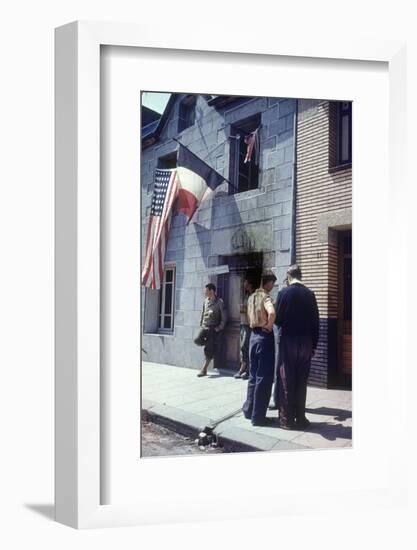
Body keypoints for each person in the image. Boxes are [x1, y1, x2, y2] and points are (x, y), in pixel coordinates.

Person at [274, 264, 319, 429]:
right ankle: (300, 418)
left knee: (287, 380)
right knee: (301, 381)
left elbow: (277, 320)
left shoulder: (283, 293)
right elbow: (316, 322)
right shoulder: (310, 294)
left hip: (288, 342)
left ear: (289, 276)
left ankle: (287, 420)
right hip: (306, 343)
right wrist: (313, 345)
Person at [242, 272, 277, 426]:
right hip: (264, 337)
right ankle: (258, 417)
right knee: (264, 377)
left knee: (253, 375)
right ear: (267, 283)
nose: (273, 287)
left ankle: (249, 410)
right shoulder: (266, 297)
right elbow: (272, 313)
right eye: (273, 284)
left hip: (252, 337)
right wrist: (269, 326)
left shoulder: (251, 298)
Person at [194, 283, 227, 377]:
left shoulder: (219, 302)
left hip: (212, 329)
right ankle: (209, 343)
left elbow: (224, 316)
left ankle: (203, 370)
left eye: (206, 290)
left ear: (211, 291)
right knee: (196, 339)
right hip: (204, 327)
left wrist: (220, 327)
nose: (205, 292)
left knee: (209, 350)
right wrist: (200, 325)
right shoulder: (205, 301)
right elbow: (202, 314)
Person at [234, 278, 255, 379]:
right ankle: (245, 369)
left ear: (250, 284)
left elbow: (254, 311)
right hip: (243, 323)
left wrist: (244, 309)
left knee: (245, 347)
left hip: (249, 325)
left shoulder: (254, 296)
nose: (244, 284)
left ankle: (246, 370)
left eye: (245, 282)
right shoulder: (246, 295)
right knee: (243, 348)